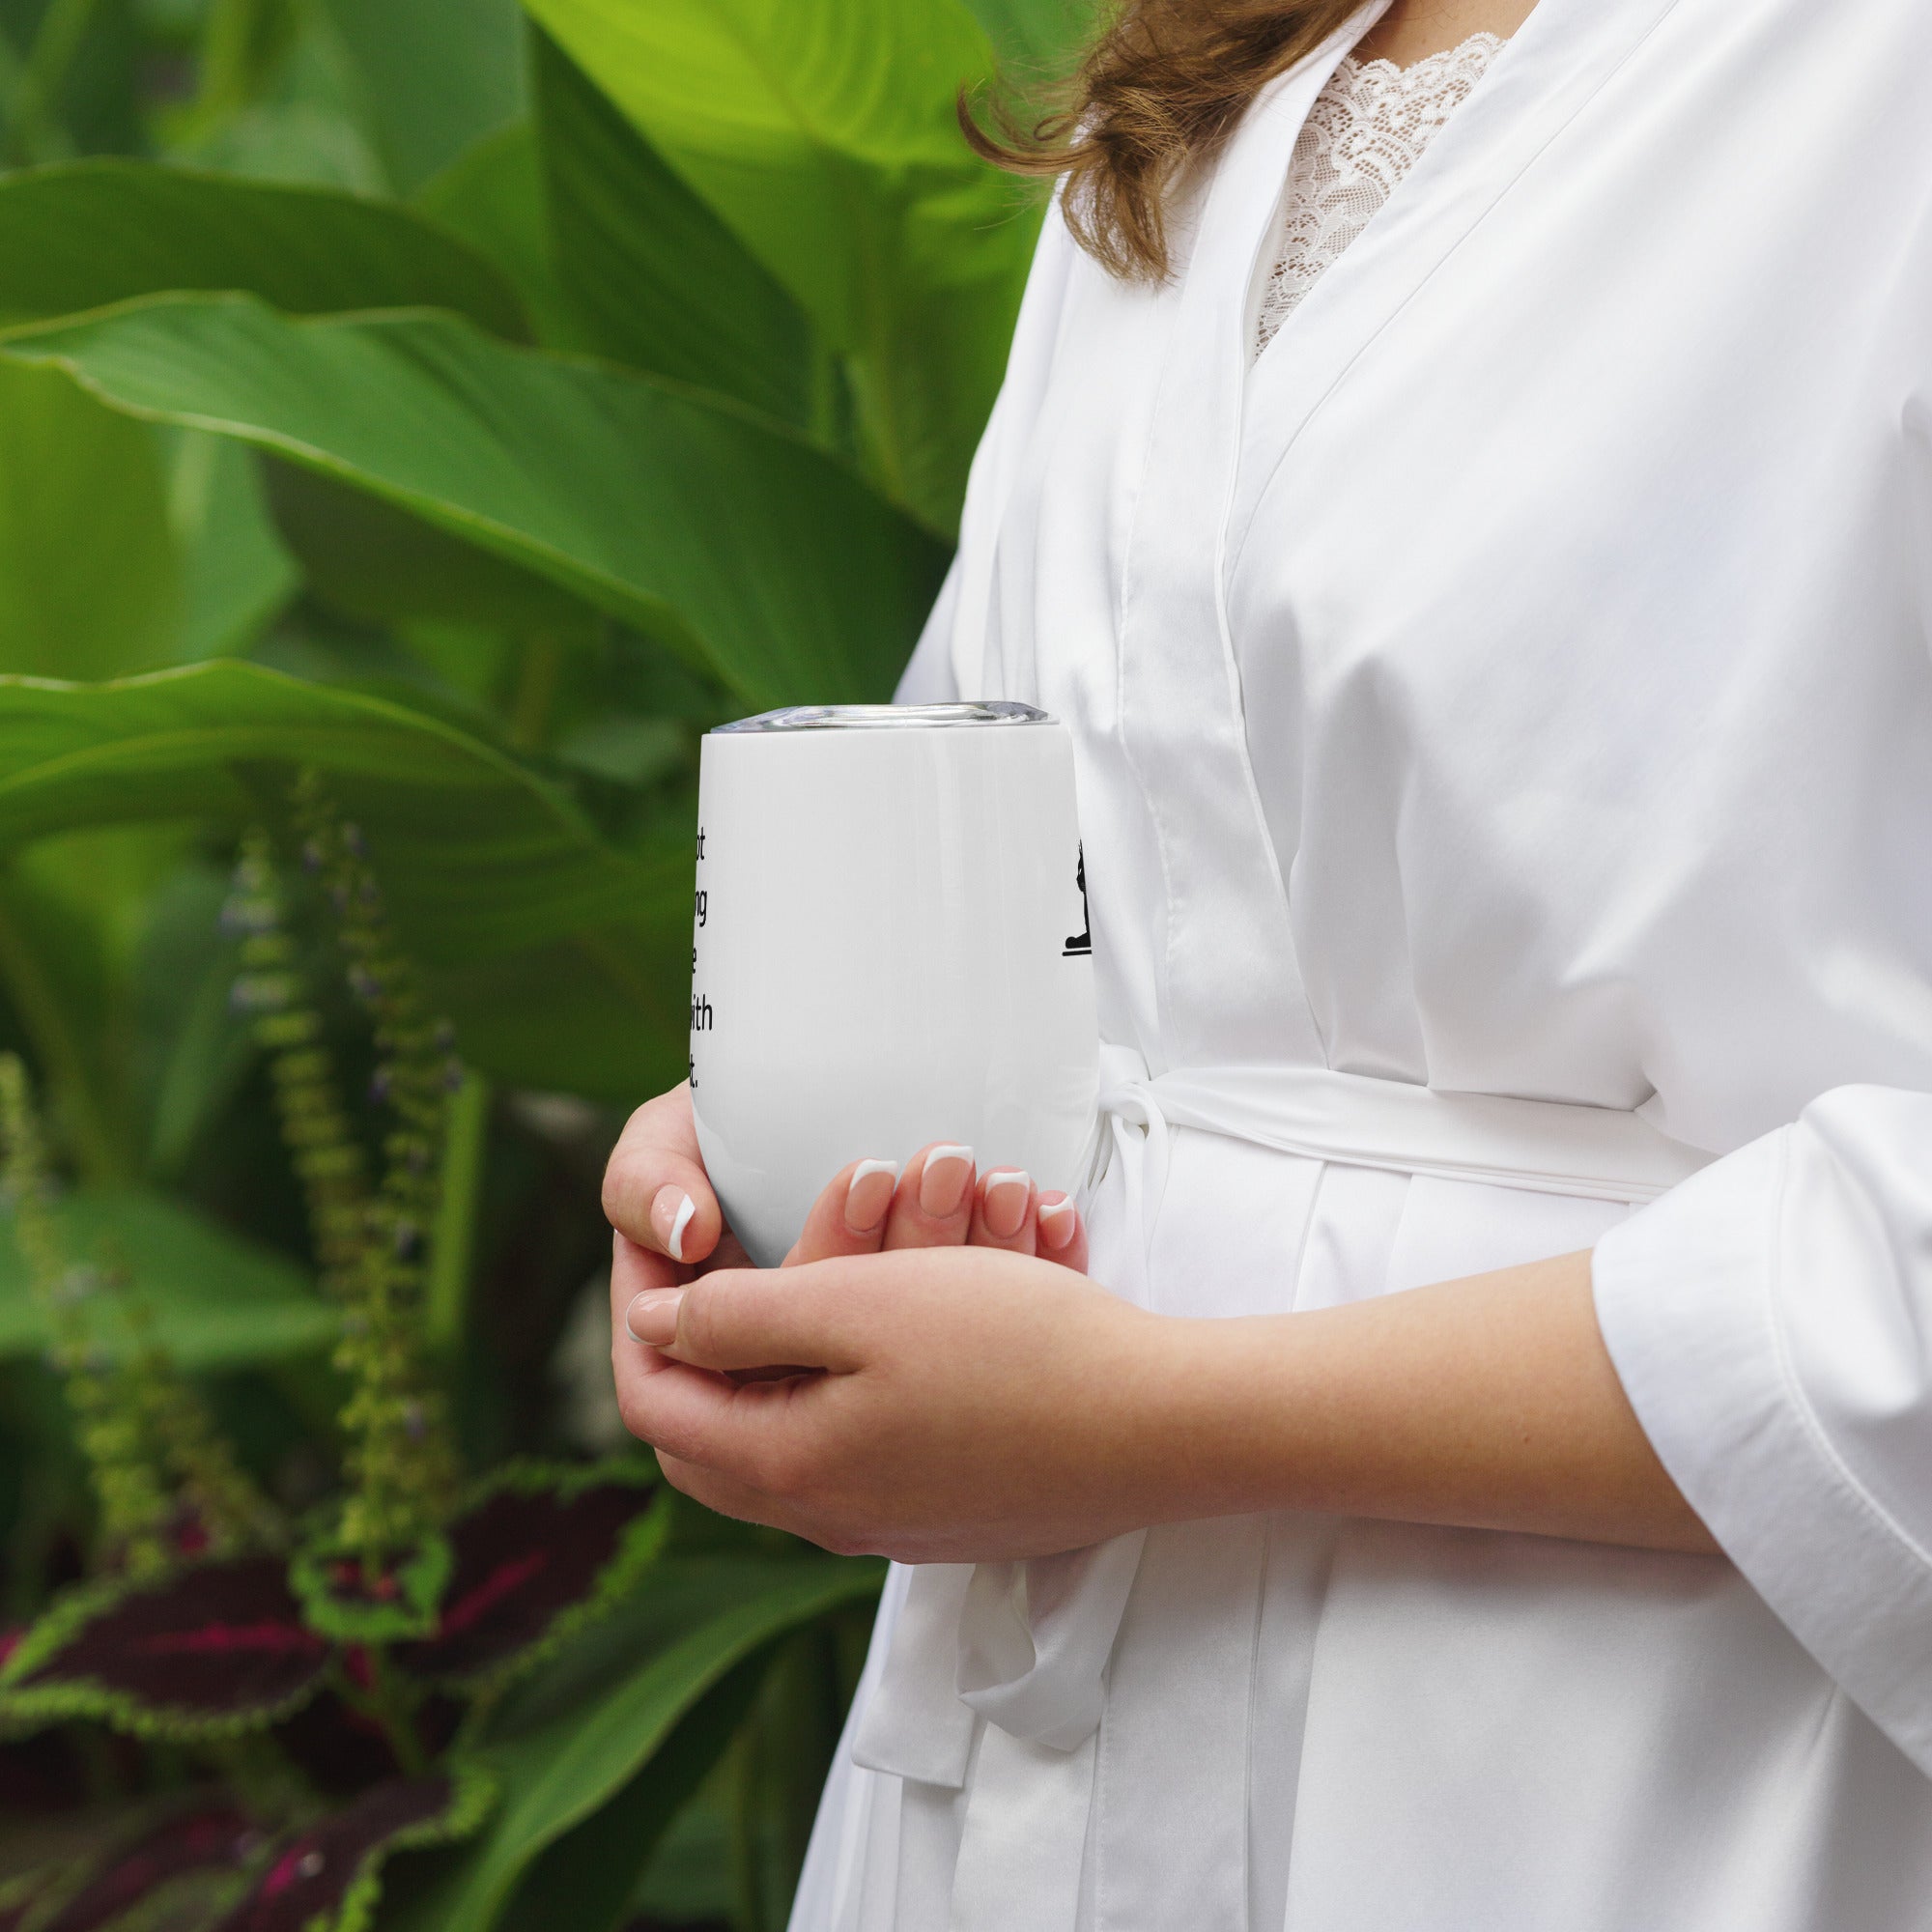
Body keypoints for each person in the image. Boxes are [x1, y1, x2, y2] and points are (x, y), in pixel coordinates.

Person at [603, 0, 1932, 1923]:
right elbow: (1097, 873)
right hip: (1041, 1751)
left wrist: (1155, 1415)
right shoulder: (1210, 74)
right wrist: (781, 1158)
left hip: (1650, 1762)